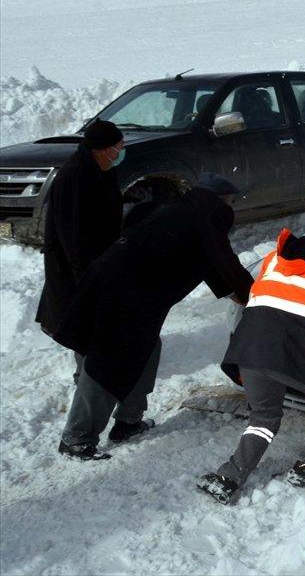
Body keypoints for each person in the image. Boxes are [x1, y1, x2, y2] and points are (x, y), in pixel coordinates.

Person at [54, 173, 254, 461]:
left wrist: (239, 293)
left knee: (146, 349)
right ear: (222, 200)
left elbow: (211, 265)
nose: (231, 209)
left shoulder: (182, 212)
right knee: (107, 361)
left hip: (113, 284)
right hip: (124, 295)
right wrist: (255, 297)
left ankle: (129, 421)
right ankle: (76, 438)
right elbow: (225, 263)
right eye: (231, 202)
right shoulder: (207, 217)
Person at [197, 207, 305, 504]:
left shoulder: (277, 255)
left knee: (264, 417)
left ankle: (227, 478)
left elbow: (260, 298)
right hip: (292, 352)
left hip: (249, 346)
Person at [36, 120, 125, 340]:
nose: (121, 152)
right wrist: (86, 275)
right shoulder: (75, 177)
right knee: (80, 322)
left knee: (93, 320)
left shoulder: (102, 169)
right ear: (103, 150)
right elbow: (72, 234)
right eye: (119, 147)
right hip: (75, 266)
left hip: (97, 260)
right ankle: (85, 361)